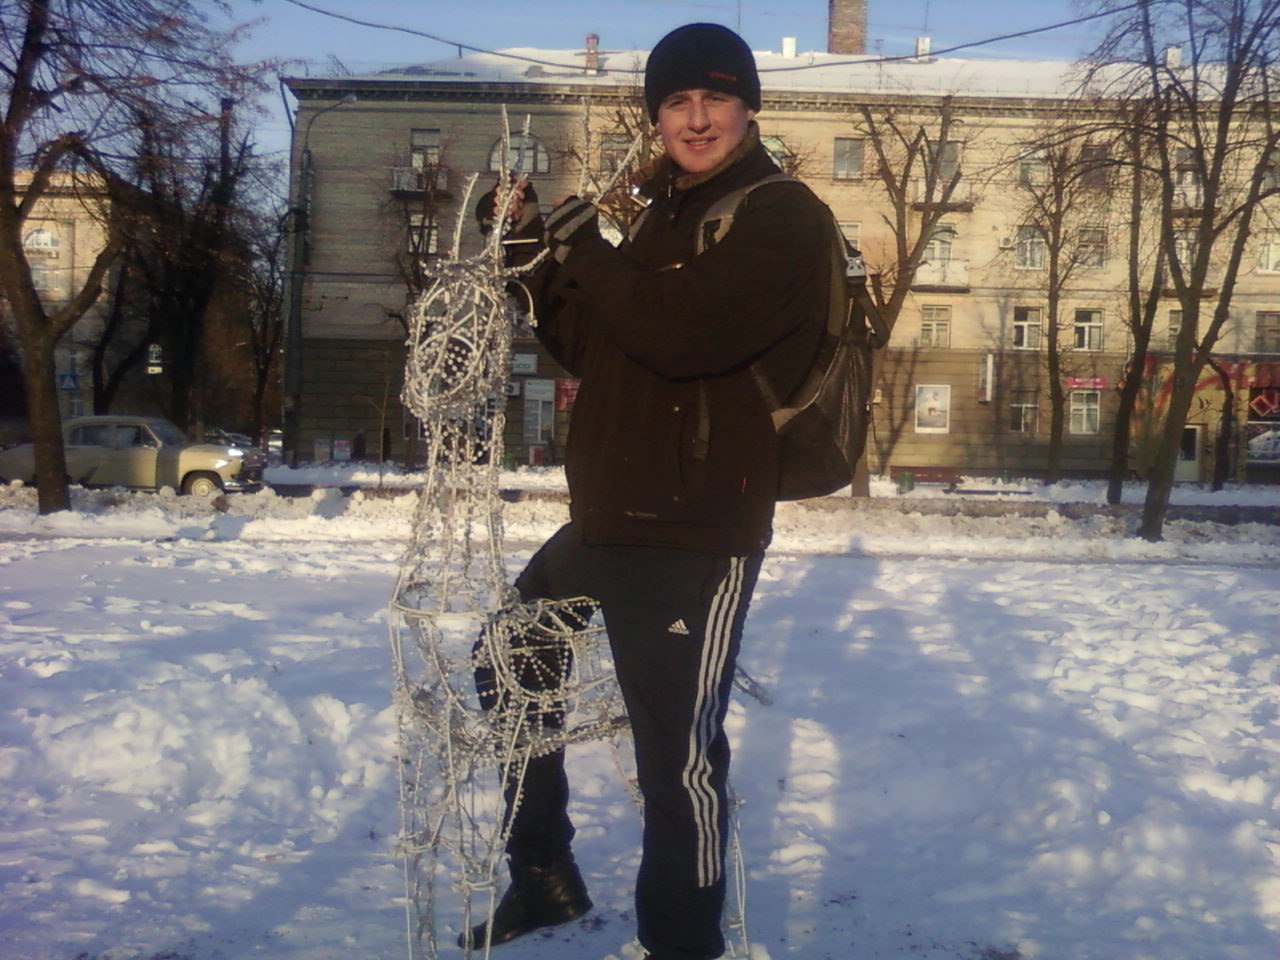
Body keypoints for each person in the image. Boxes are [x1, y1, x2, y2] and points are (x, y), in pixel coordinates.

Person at [466, 22, 834, 960]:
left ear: (749, 108)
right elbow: (599, 344)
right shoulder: (664, 215)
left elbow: (681, 332)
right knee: (511, 656)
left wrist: (588, 246)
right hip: (610, 515)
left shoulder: (781, 214)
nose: (696, 118)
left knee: (675, 762)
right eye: (677, 101)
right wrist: (529, 249)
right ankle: (543, 875)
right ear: (657, 117)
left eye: (715, 97)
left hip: (696, 529)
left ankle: (681, 946)